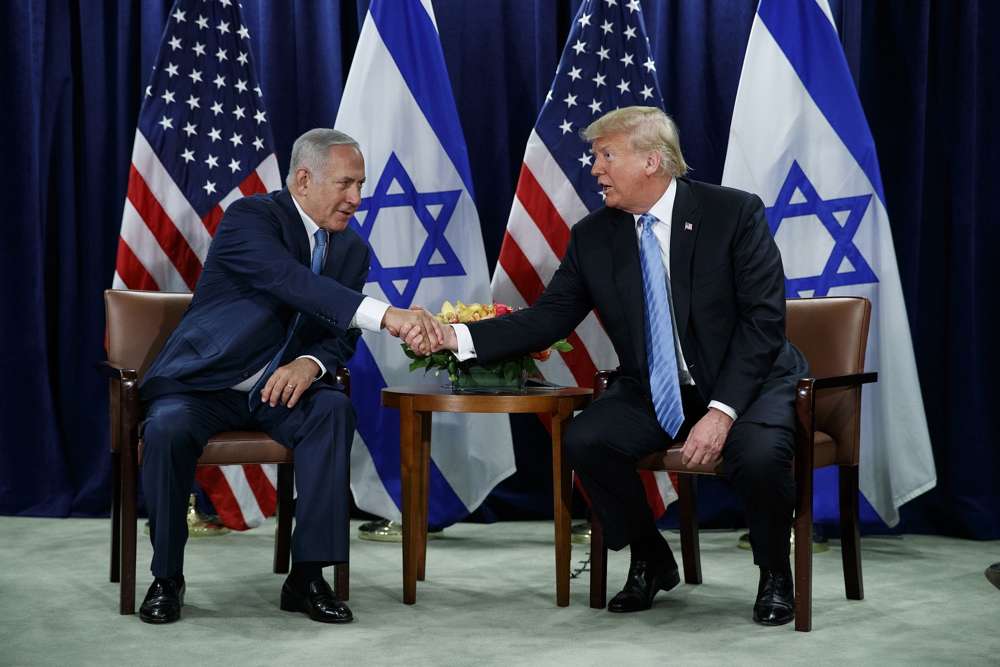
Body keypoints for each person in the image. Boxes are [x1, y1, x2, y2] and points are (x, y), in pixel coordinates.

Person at [411, 107, 807, 626]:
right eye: (596, 156)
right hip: (655, 389)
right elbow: (550, 318)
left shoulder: (733, 214)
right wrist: (455, 337)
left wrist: (722, 411)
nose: (594, 168)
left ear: (651, 160)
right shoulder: (595, 236)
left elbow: (762, 323)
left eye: (606, 156)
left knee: (758, 454)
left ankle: (775, 572)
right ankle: (648, 554)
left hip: (747, 384)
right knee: (586, 439)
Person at [137, 128, 443, 625]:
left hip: (278, 391)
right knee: (167, 429)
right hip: (205, 385)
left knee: (332, 409)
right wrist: (389, 316)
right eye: (346, 184)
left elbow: (339, 334)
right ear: (304, 179)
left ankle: (307, 577)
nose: (357, 199)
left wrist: (312, 364)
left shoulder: (351, 251)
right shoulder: (250, 219)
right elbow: (291, 282)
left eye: (360, 185)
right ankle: (166, 577)